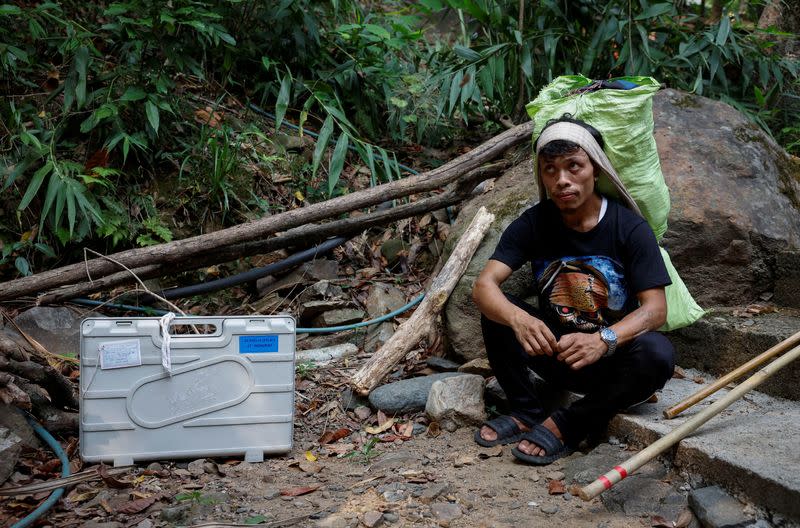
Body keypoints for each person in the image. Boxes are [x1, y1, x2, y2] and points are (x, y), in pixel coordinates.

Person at [471, 115, 675, 465]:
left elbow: (655, 310)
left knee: (658, 353)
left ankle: (570, 422)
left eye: (574, 166)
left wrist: (603, 340)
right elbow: (483, 285)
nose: (562, 179)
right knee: (497, 311)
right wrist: (518, 319)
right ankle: (525, 411)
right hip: (555, 351)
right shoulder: (534, 223)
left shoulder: (629, 228)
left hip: (610, 363)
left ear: (595, 169)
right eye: (550, 169)